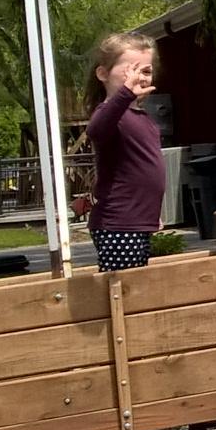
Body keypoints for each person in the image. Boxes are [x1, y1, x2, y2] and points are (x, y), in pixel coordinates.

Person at [80, 33, 166, 272]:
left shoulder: (142, 118)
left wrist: (151, 214)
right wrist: (126, 93)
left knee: (136, 290)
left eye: (146, 71)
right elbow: (96, 130)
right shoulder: (108, 113)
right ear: (103, 74)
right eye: (130, 70)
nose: (139, 77)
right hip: (118, 223)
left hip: (138, 221)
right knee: (121, 291)